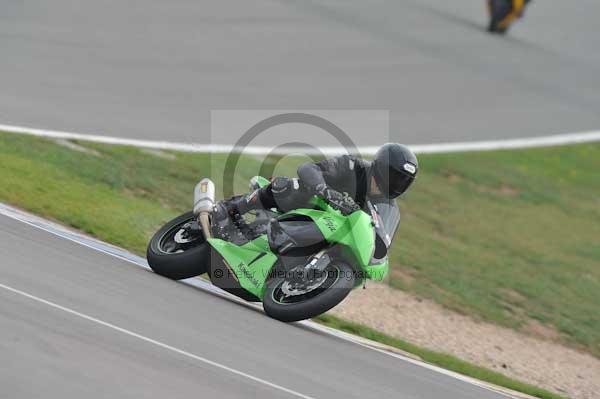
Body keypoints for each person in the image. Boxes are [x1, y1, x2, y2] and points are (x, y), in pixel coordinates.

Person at [216, 143, 418, 226]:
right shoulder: (352, 166)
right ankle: (229, 208)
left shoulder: (387, 208)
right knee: (288, 187)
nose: (396, 184)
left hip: (328, 228)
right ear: (381, 166)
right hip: (305, 203)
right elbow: (308, 169)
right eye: (394, 175)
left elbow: (382, 239)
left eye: (403, 180)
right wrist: (324, 191)